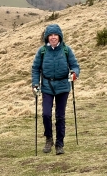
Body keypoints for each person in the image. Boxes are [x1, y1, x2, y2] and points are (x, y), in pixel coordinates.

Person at [31, 24, 80, 155]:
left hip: (63, 86)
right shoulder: (42, 52)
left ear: (60, 36)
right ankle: (49, 139)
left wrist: (74, 73)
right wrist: (35, 84)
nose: (53, 37)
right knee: (46, 114)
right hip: (47, 86)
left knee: (60, 116)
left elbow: (75, 65)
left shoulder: (66, 50)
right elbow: (35, 68)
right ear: (47, 37)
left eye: (55, 35)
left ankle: (59, 144)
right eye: (50, 35)